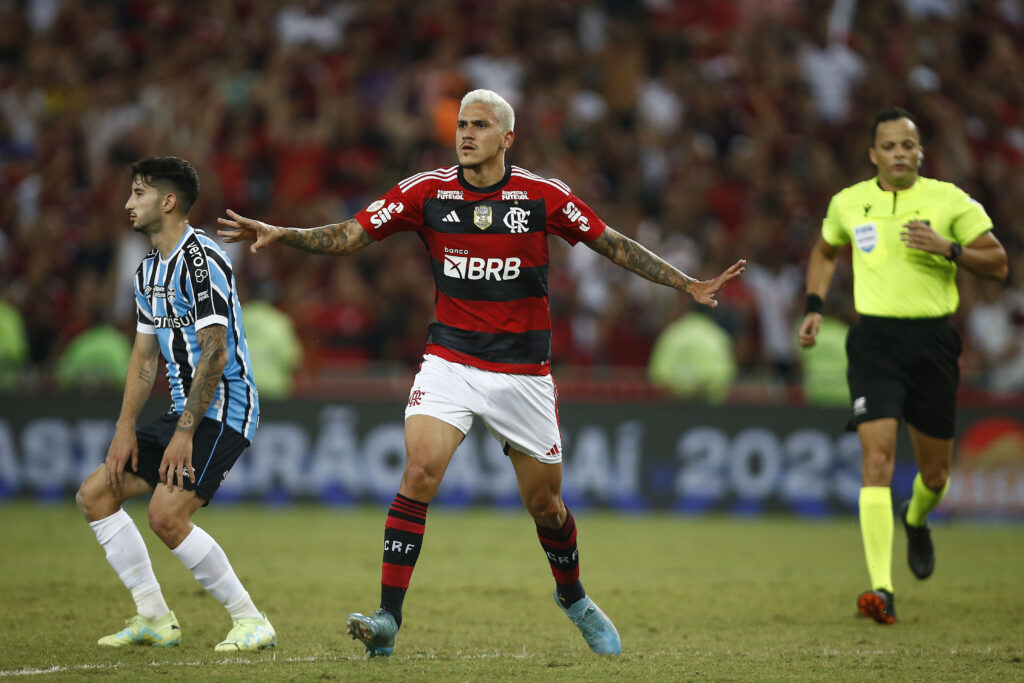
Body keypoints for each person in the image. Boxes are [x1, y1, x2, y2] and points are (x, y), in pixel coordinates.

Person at [218, 89, 745, 657]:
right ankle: (388, 619)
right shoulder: (427, 192)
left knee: (546, 506)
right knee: (419, 471)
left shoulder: (542, 197)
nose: (466, 134)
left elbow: (612, 243)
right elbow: (351, 234)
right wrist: (285, 233)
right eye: (462, 124)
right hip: (450, 360)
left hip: (523, 373)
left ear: (507, 138)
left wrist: (684, 283)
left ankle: (573, 597)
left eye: (480, 125)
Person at [797, 107, 1008, 624]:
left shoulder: (949, 201)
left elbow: (1000, 263)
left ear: (920, 153)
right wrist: (814, 307)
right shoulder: (849, 203)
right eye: (888, 146)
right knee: (877, 460)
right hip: (875, 343)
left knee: (935, 475)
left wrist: (949, 248)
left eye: (907, 146)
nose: (898, 154)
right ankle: (881, 590)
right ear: (873, 155)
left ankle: (916, 519)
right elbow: (824, 253)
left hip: (933, 341)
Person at [75, 157, 275, 651]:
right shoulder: (147, 272)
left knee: (166, 515)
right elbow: (144, 357)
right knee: (96, 495)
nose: (128, 203)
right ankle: (154, 617)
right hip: (183, 409)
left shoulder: (200, 260)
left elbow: (216, 350)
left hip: (224, 405)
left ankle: (251, 620)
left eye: (138, 193)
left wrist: (184, 433)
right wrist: (124, 428)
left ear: (167, 202)